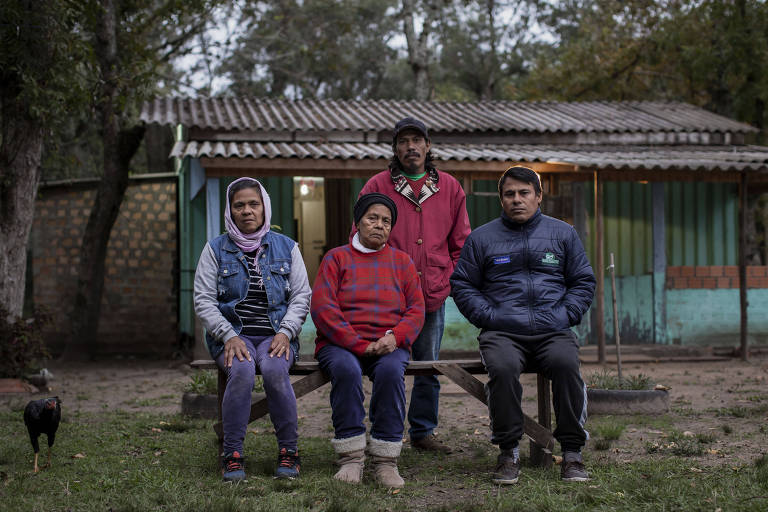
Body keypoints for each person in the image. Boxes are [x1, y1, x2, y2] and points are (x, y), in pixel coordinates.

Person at [450, 166, 596, 484]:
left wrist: (564, 315)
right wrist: (490, 317)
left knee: (567, 364)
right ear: (501, 199)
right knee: (501, 370)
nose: (517, 199)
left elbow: (583, 281)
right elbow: (462, 285)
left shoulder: (563, 234)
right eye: (509, 194)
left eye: (524, 193)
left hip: (552, 328)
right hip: (502, 331)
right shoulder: (481, 239)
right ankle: (508, 452)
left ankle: (572, 454)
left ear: (538, 196)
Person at [354, 117, 471, 453]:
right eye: (403, 141)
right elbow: (359, 236)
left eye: (416, 140)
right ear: (395, 149)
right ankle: (382, 429)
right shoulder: (377, 185)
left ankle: (422, 431)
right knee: (384, 365)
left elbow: (461, 243)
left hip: (432, 294)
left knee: (427, 366)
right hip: (387, 295)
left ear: (428, 145)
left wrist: (450, 276)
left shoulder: (449, 187)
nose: (410, 147)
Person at [194, 177, 311, 482]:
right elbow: (203, 300)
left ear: (264, 208)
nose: (247, 211)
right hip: (233, 335)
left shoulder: (288, 247)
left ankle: (289, 452)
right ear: (230, 211)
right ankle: (232, 455)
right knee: (243, 371)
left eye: (253, 204)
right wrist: (228, 335)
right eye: (239, 205)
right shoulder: (215, 250)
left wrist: (286, 331)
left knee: (274, 370)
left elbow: (301, 296)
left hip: (276, 335)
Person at [312, 193, 425, 488]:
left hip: (388, 344)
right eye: (372, 218)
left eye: (386, 221)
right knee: (347, 370)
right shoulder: (337, 258)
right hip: (339, 344)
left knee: (390, 372)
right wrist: (359, 344)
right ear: (358, 222)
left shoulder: (402, 262)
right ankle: (351, 458)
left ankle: (385, 460)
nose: (380, 225)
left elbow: (416, 309)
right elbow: (323, 308)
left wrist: (395, 337)